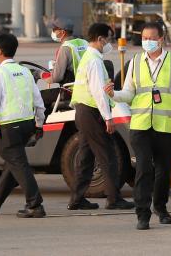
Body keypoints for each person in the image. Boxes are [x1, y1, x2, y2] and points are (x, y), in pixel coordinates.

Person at [109, 22, 171, 230]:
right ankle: (142, 214)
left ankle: (161, 207)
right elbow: (128, 93)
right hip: (141, 125)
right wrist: (113, 94)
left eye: (151, 38)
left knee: (164, 169)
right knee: (144, 167)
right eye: (144, 38)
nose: (146, 41)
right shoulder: (136, 61)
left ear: (161, 39)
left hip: (166, 125)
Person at [69, 23, 134, 211]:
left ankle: (76, 198)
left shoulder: (87, 57)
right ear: (100, 39)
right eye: (109, 39)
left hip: (83, 112)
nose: (109, 43)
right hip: (92, 112)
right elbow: (99, 92)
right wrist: (108, 117)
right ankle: (114, 199)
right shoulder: (95, 61)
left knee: (86, 157)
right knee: (109, 156)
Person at [0, 33, 46, 218]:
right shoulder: (24, 71)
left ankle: (35, 204)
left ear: (0, 51)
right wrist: (39, 124)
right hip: (27, 125)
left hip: (9, 127)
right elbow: (38, 100)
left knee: (19, 164)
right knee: (14, 163)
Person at [41, 20, 88, 111]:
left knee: (37, 96)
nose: (53, 32)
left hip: (70, 91)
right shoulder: (84, 43)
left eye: (55, 29)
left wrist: (39, 74)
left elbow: (55, 78)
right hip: (86, 87)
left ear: (62, 32)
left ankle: (40, 124)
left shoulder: (65, 48)